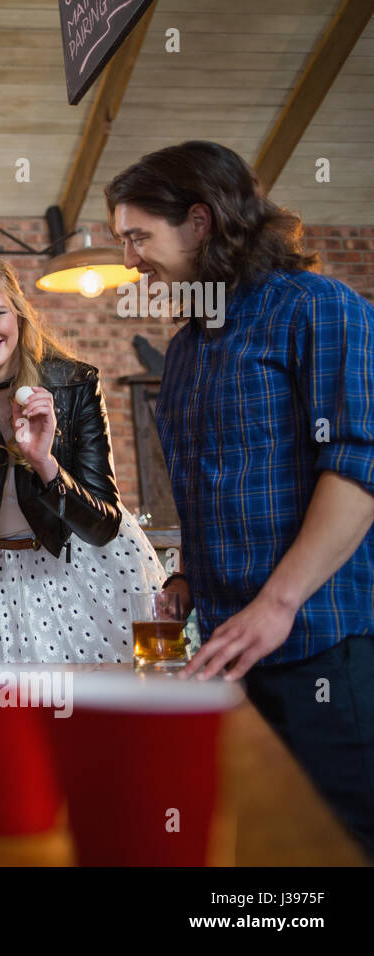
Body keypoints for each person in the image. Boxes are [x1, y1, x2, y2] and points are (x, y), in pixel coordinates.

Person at [106, 140, 374, 858]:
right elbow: (208, 485)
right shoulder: (191, 346)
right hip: (231, 649)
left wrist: (278, 603)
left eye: (139, 236)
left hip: (325, 645)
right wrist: (188, 577)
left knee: (336, 843)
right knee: (258, 844)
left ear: (200, 222)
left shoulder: (319, 308)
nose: (131, 260)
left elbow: (357, 471)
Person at [0, 255, 166, 663]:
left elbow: (103, 526)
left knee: (96, 714)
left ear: (18, 312)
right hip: (0, 576)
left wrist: (44, 461)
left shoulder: (74, 381)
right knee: (2, 713)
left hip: (87, 568)